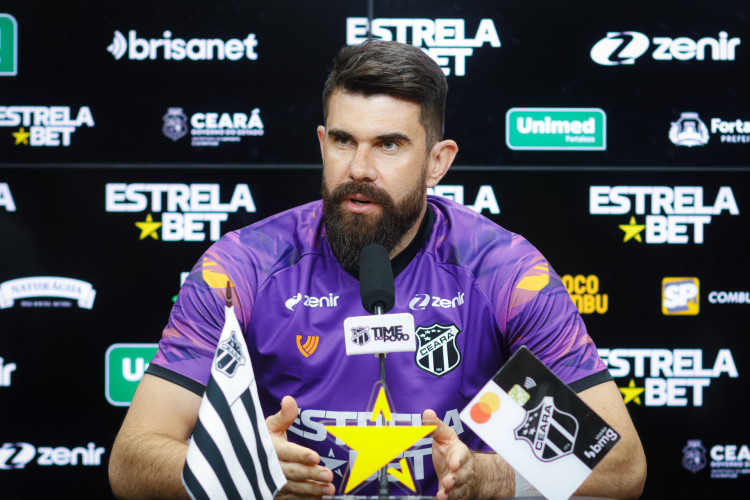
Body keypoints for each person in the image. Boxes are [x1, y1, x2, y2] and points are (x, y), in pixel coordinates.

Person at [109, 40, 646, 499]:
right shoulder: (243, 268)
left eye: (389, 145)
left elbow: (620, 466)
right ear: (322, 144)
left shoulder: (502, 273)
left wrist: (489, 478)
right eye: (344, 141)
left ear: (438, 161)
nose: (359, 169)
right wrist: (242, 468)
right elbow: (131, 462)